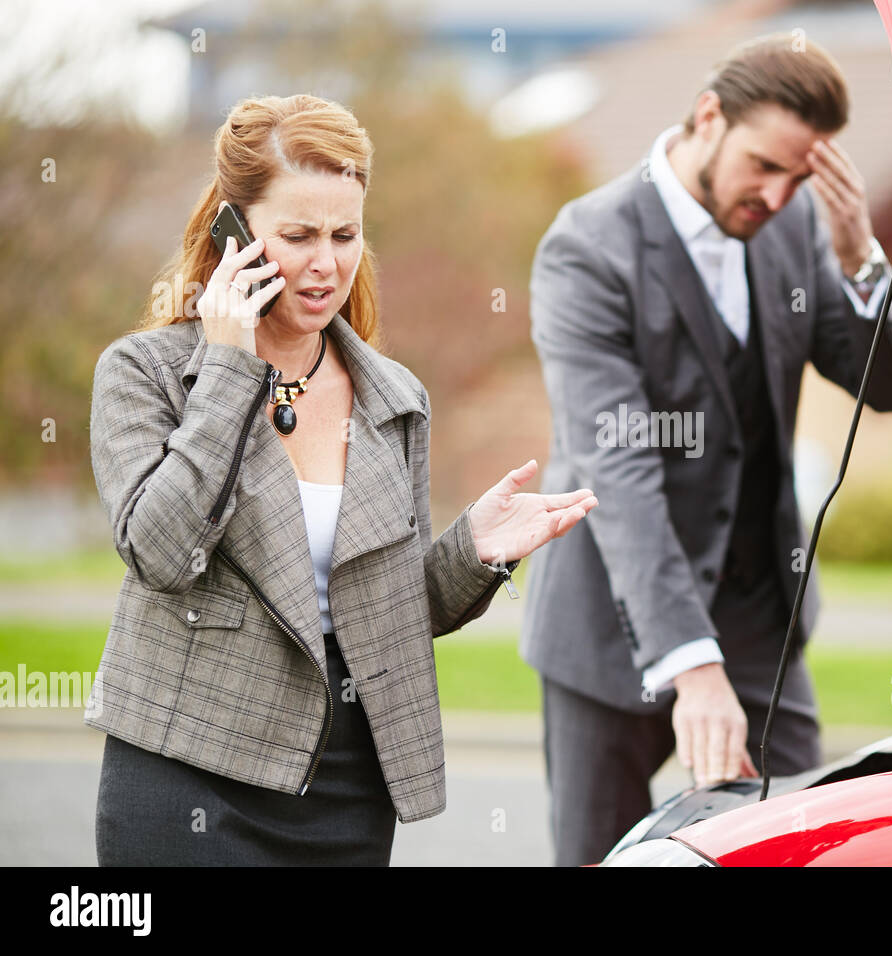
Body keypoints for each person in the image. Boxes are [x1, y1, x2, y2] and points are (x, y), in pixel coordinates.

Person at [87, 93, 597, 866]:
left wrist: (474, 552)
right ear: (234, 236)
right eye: (297, 236)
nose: (326, 263)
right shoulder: (144, 374)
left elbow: (382, 611)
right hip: (192, 776)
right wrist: (229, 369)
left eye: (345, 234)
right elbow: (160, 552)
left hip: (346, 787)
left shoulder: (395, 397)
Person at [522, 34, 892, 865]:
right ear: (709, 116)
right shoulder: (588, 248)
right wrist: (689, 667)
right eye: (764, 165)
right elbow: (620, 470)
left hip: (759, 617)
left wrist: (859, 258)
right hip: (610, 623)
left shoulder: (796, 232)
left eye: (801, 177)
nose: (777, 195)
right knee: (598, 860)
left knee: (807, 848)